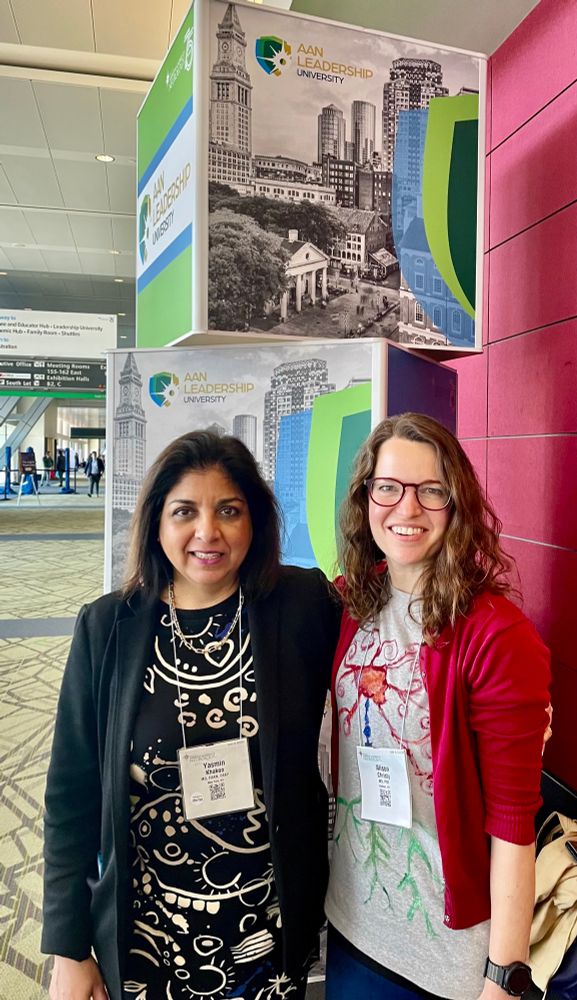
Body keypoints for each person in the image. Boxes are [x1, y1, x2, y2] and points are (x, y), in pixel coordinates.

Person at [42, 430, 340, 1000]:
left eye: (229, 510)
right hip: (144, 937)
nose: (208, 532)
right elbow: (69, 798)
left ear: (255, 521)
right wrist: (68, 947)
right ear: (157, 523)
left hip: (268, 939)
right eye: (185, 512)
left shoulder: (302, 606)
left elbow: (388, 636)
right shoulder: (108, 628)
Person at [324, 412, 551, 1000]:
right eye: (389, 487)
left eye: (432, 491)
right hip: (350, 922)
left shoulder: (496, 634)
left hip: (444, 959)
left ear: (457, 504)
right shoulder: (349, 603)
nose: (407, 509)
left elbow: (512, 825)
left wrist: (504, 976)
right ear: (365, 496)